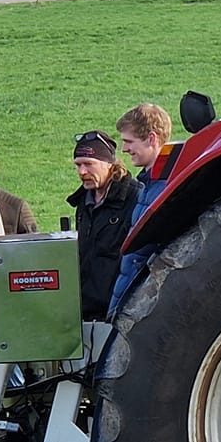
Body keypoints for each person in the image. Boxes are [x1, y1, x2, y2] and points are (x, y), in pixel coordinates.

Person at [107, 102, 176, 313]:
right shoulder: (149, 186)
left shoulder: (163, 190)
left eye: (129, 141)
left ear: (152, 139)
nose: (125, 149)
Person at [68, 130, 137, 321]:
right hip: (86, 311)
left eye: (89, 164)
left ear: (109, 164)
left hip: (120, 310)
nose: (82, 172)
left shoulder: (134, 198)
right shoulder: (84, 201)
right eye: (78, 165)